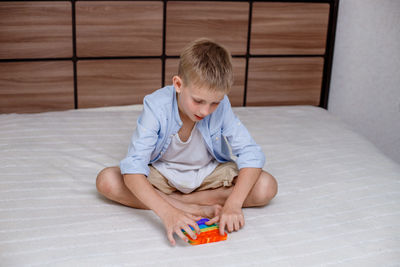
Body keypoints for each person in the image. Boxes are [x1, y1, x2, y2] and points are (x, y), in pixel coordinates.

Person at [96, 38, 278, 246]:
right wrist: (168, 213)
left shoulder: (222, 105)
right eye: (198, 101)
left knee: (266, 186)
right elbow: (134, 166)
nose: (205, 111)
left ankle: (183, 203)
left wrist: (234, 204)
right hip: (163, 175)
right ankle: (194, 207)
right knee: (107, 180)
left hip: (209, 173)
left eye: (214, 103)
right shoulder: (156, 105)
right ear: (178, 84)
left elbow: (250, 154)